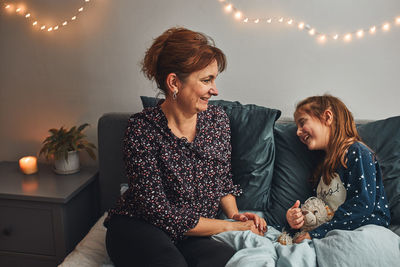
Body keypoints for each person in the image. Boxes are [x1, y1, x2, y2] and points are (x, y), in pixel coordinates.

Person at [104, 27, 267, 267]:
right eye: (206, 80)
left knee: (226, 261)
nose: (215, 89)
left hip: (190, 232)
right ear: (174, 82)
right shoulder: (142, 129)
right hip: (138, 225)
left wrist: (235, 214)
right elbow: (158, 212)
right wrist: (230, 226)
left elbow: (221, 180)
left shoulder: (217, 121)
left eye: (214, 79)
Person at [286, 95, 391, 243]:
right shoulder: (322, 169)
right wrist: (296, 220)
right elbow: (321, 212)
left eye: (302, 122)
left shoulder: (357, 152)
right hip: (330, 233)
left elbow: (362, 205)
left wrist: (316, 234)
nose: (297, 132)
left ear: (327, 117)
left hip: (363, 231)